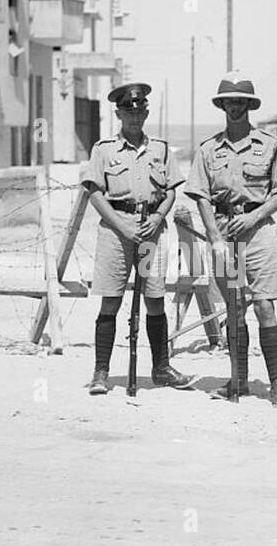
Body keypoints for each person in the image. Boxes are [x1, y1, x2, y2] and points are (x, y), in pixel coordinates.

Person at [184, 72, 277, 408]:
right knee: (233, 309)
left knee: (264, 305)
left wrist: (255, 216)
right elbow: (201, 196)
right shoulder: (208, 149)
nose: (235, 106)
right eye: (229, 101)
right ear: (222, 106)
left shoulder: (271, 146)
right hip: (223, 233)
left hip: (258, 230)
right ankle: (239, 380)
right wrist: (215, 237)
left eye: (240, 101)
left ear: (248, 105)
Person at [80, 82, 195, 395]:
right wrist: (122, 225)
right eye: (127, 111)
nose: (134, 116)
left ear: (146, 112)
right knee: (111, 300)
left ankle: (161, 368)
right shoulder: (103, 149)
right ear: (118, 113)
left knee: (155, 299)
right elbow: (94, 192)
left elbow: (171, 190)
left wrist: (159, 217)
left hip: (152, 228)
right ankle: (101, 372)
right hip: (116, 229)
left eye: (139, 110)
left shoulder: (160, 148)